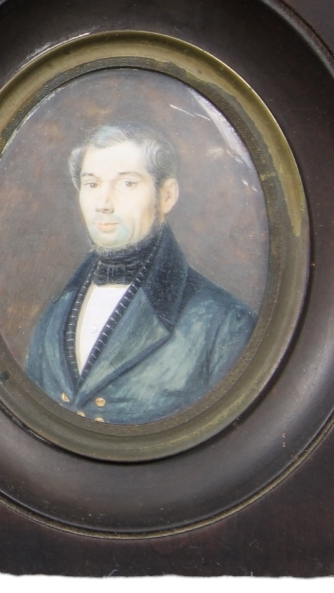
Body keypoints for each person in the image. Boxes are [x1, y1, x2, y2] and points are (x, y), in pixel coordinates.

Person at [24, 121, 255, 425]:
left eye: (127, 184)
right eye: (92, 184)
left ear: (167, 196)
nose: (103, 204)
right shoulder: (53, 317)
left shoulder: (225, 324)